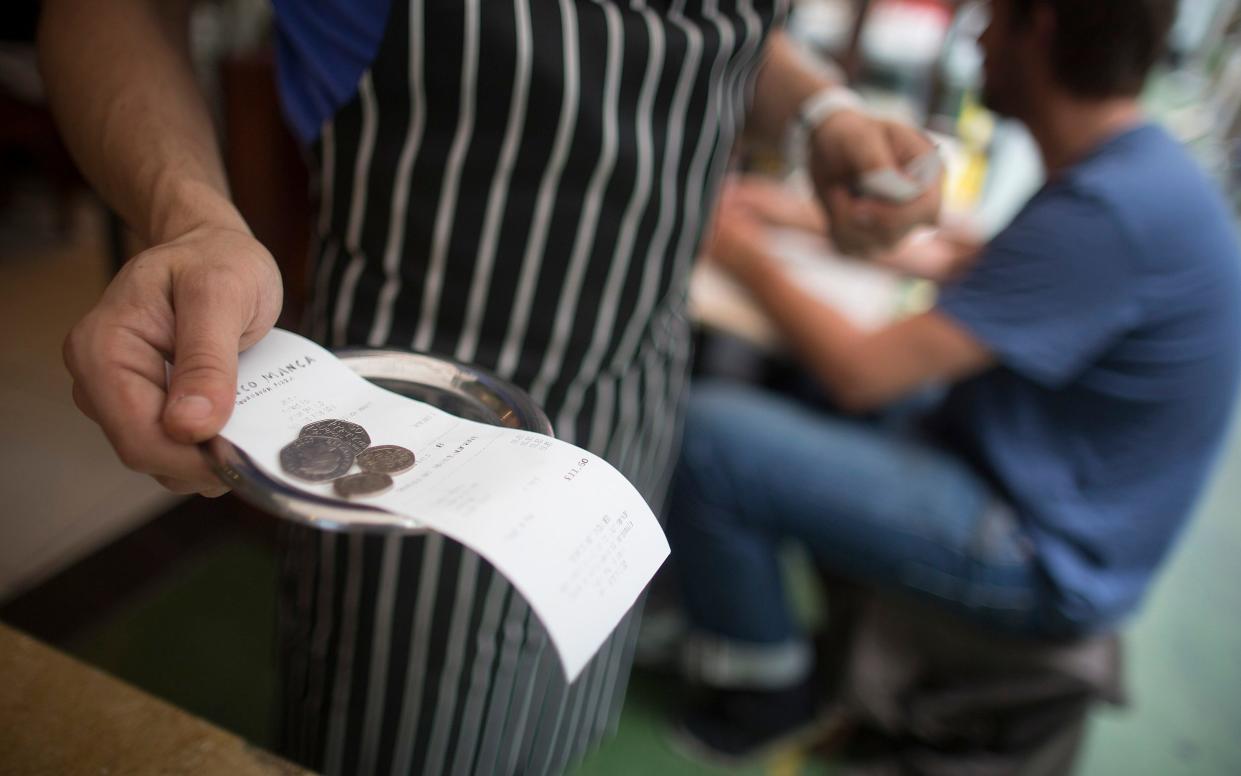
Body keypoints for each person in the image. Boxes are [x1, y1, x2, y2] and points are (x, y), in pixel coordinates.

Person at [38, 0, 941, 773]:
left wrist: (819, 111)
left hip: (630, 397)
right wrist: (188, 215)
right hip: (416, 433)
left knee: (550, 726)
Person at [668, 0, 1241, 761]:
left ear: (1040, 24)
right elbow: (989, 265)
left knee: (708, 439)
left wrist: (738, 252)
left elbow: (862, 374)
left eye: (991, 18)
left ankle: (766, 690)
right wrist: (791, 216)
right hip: (1029, 467)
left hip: (1041, 550)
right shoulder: (1137, 166)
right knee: (787, 380)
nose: (974, 37)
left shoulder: (1111, 209)